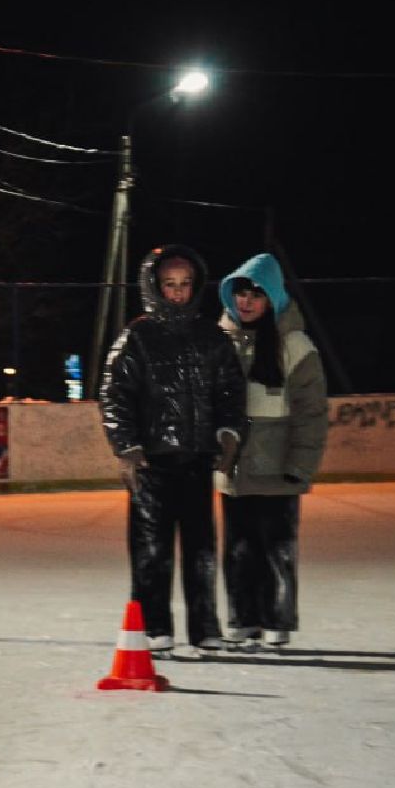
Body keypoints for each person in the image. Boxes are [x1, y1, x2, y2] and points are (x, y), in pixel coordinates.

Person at [99, 245, 246, 659]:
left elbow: (231, 391)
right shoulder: (138, 336)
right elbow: (115, 396)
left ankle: (205, 629)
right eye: (169, 285)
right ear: (154, 286)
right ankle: (154, 628)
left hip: (197, 459)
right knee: (151, 550)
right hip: (152, 463)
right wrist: (126, 448)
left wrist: (229, 434)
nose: (178, 293)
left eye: (185, 285)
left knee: (201, 549)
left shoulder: (211, 336)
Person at [214, 253, 329, 651]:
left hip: (279, 470)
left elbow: (312, 414)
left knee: (277, 549)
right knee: (238, 549)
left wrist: (301, 466)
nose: (245, 302)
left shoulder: (295, 345)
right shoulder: (221, 340)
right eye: (240, 293)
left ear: (273, 298)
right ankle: (243, 619)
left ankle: (276, 619)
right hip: (234, 468)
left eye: (256, 294)